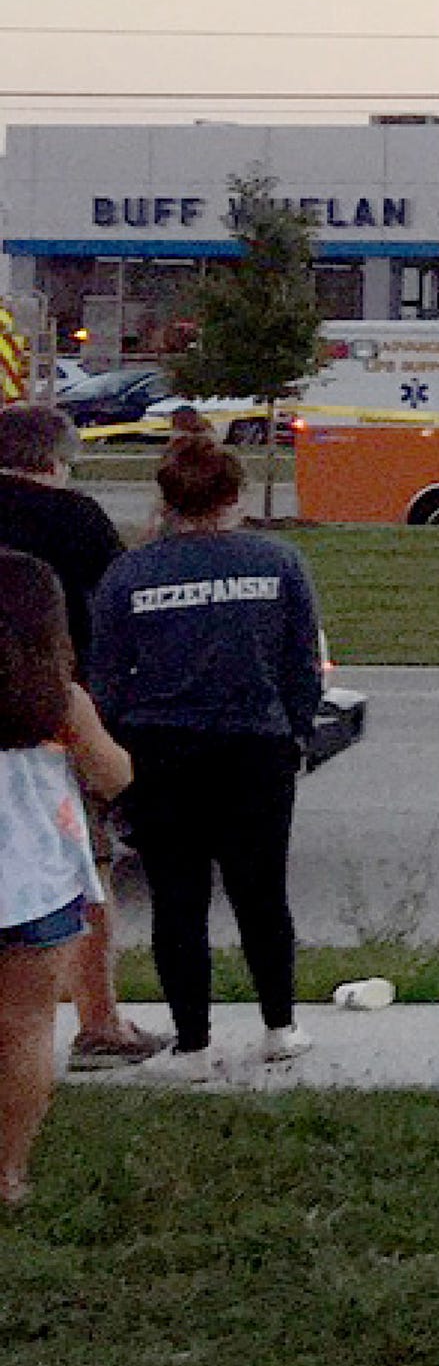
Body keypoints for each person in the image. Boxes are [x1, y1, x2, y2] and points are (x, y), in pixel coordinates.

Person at [88, 437, 326, 1073]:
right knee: (261, 894)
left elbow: (106, 678)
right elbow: (301, 663)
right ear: (235, 495)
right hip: (256, 746)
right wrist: (296, 732)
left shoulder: (129, 574)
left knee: (178, 898)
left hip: (161, 750)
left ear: (165, 500)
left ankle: (193, 1040)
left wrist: (114, 758)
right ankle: (280, 1026)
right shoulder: (278, 562)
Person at [0, 404, 164, 1071]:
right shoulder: (76, 518)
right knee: (84, 869)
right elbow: (121, 600)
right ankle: (100, 1023)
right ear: (54, 459)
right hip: (51, 712)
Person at [0, 550, 132, 1206]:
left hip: (35, 884)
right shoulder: (57, 700)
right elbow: (113, 775)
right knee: (23, 1029)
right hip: (34, 886)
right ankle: (8, 1174)